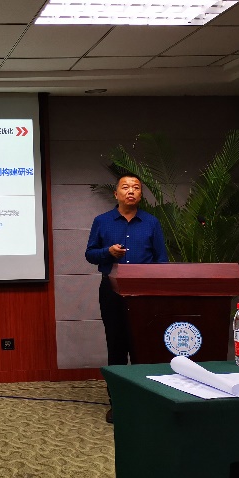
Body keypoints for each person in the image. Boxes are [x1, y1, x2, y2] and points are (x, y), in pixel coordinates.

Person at [85, 173, 168, 422]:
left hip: (145, 293)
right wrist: (107, 252)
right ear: (116, 193)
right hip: (111, 290)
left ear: (140, 195)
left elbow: (162, 260)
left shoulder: (151, 223)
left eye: (136, 188)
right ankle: (118, 403)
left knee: (144, 347)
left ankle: (146, 401)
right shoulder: (102, 221)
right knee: (116, 345)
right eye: (125, 187)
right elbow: (90, 254)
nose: (130, 191)